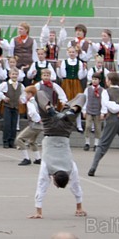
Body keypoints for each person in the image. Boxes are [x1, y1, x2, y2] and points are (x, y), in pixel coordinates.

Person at [29, 87, 87, 219]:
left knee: (82, 96)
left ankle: (71, 109)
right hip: (49, 128)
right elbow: (42, 186)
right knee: (39, 94)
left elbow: (75, 184)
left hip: (65, 127)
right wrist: (38, 211)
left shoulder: (70, 167)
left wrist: (80, 207)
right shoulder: (47, 167)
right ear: (54, 178)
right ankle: (52, 109)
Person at [87, 73, 119, 177]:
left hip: (112, 119)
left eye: (107, 79)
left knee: (102, 144)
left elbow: (108, 104)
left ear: (109, 81)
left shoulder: (106, 92)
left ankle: (93, 167)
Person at [0, 67, 24, 149]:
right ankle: (5, 141)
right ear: (9, 75)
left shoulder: (20, 85)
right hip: (7, 107)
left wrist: (22, 99)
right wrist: (3, 97)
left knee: (14, 125)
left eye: (16, 74)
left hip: (16, 107)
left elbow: (24, 94)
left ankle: (12, 141)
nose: (14, 76)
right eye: (13, 74)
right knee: (7, 125)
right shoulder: (5, 84)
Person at [15, 85, 42, 165]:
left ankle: (26, 158)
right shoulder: (35, 101)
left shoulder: (30, 103)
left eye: (26, 93)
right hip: (39, 126)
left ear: (30, 94)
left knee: (19, 139)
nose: (25, 95)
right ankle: (38, 158)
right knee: (32, 141)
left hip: (34, 125)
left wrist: (37, 119)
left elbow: (33, 112)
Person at [83, 73, 104, 152]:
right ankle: (87, 143)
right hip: (89, 110)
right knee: (88, 126)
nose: (94, 81)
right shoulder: (88, 89)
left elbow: (103, 102)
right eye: (93, 79)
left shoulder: (102, 90)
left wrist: (102, 112)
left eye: (96, 79)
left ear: (99, 81)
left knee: (97, 127)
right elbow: (85, 100)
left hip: (98, 111)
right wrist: (84, 110)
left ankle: (96, 144)